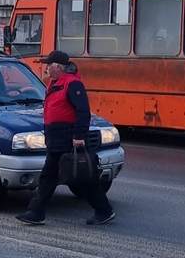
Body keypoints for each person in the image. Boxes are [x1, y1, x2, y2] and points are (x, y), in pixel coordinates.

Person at [16, 50, 115, 226]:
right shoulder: (55, 84)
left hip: (67, 139)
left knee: (78, 177)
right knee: (50, 177)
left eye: (48, 65)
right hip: (56, 139)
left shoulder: (72, 84)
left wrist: (79, 136)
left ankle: (103, 210)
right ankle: (36, 212)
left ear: (57, 67)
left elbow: (83, 111)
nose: (45, 68)